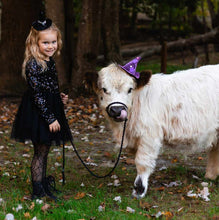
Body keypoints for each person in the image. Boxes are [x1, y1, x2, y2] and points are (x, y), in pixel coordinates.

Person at [11, 15, 72, 200]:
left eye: (53, 42)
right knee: (40, 151)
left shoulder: (49, 61)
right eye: (45, 43)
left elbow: (48, 86)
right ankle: (37, 190)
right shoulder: (33, 64)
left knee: (45, 149)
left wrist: (58, 97)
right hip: (38, 112)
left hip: (49, 106)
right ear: (35, 43)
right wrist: (51, 118)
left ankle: (43, 184)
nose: (50, 46)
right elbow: (37, 94)